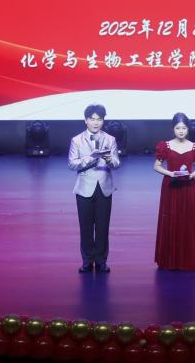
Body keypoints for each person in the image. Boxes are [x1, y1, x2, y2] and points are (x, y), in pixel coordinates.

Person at [68, 104, 121, 273]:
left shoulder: (110, 139)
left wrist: (110, 159)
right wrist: (90, 159)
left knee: (103, 227)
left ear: (103, 121)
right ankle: (87, 260)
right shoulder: (76, 140)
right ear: (86, 120)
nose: (96, 122)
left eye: (99, 119)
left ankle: (101, 261)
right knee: (85, 227)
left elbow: (117, 164)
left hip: (104, 187)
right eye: (92, 119)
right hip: (84, 187)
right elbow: (72, 164)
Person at [153, 112, 195, 270]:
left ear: (188, 129)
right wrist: (171, 174)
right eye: (177, 128)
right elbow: (156, 166)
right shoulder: (165, 146)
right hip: (170, 186)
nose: (181, 131)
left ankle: (187, 260)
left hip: (188, 187)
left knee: (187, 220)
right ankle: (169, 260)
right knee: (170, 219)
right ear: (173, 129)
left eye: (184, 128)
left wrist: (191, 175)